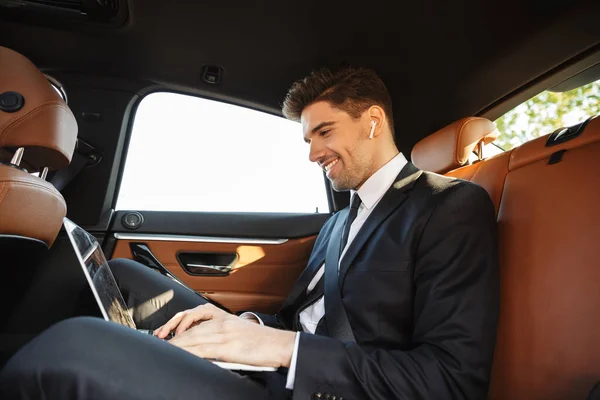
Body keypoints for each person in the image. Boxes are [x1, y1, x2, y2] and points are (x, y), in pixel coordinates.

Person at [0, 67, 499, 400]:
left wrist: (280, 351)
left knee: (72, 347)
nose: (312, 154)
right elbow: (297, 316)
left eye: (324, 132)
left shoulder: (449, 205)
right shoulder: (339, 222)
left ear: (372, 123)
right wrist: (247, 328)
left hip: (322, 387)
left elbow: (451, 380)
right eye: (307, 139)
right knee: (125, 276)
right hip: (279, 370)